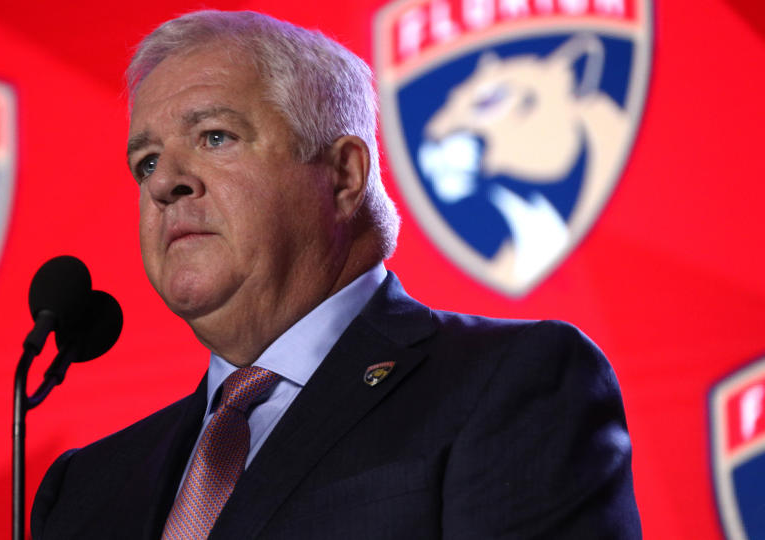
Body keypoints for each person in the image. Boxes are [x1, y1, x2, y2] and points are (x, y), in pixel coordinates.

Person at [31, 10, 641, 539]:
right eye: (146, 162)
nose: (164, 183)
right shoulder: (85, 487)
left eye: (215, 137)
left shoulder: (510, 385)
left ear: (344, 176)